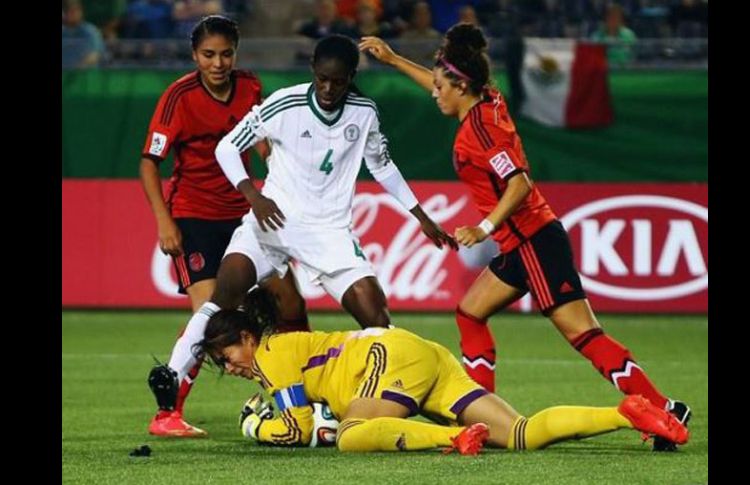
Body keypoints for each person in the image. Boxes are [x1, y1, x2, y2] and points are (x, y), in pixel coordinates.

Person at [358, 24, 691, 452]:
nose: (434, 92)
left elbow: (520, 184)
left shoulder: (481, 132)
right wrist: (394, 61)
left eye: (441, 86)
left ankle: (663, 410)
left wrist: (484, 228)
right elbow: (443, 83)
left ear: (461, 85)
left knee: (584, 335)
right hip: (523, 244)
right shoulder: (486, 101)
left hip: (533, 240)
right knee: (470, 312)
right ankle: (483, 414)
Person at [189, 290, 688, 453]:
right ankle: (625, 414)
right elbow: (305, 409)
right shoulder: (275, 358)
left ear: (247, 339)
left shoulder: (273, 353)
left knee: (351, 433)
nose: (228, 367)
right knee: (518, 434)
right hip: (420, 356)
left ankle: (450, 439)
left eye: (226, 356)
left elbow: (298, 427)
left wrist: (257, 427)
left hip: (384, 358)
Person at [214, 34, 457, 332]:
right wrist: (254, 196)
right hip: (276, 221)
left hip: (329, 231)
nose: (328, 89)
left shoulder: (364, 112)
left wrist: (421, 215)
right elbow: (226, 147)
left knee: (377, 318)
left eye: (338, 82)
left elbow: (382, 167)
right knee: (221, 302)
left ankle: (391, 374)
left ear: (351, 77)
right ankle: (177, 374)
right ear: (313, 69)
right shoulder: (284, 102)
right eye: (322, 79)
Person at [140, 15, 308, 438]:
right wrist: (165, 221)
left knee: (290, 303)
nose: (218, 63)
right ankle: (167, 413)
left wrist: (273, 164)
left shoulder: (250, 87)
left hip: (246, 214)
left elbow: (266, 137)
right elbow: (149, 163)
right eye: (208, 55)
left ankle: (308, 393)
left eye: (226, 54)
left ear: (236, 52)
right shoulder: (178, 97)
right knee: (209, 315)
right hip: (195, 217)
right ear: (195, 55)